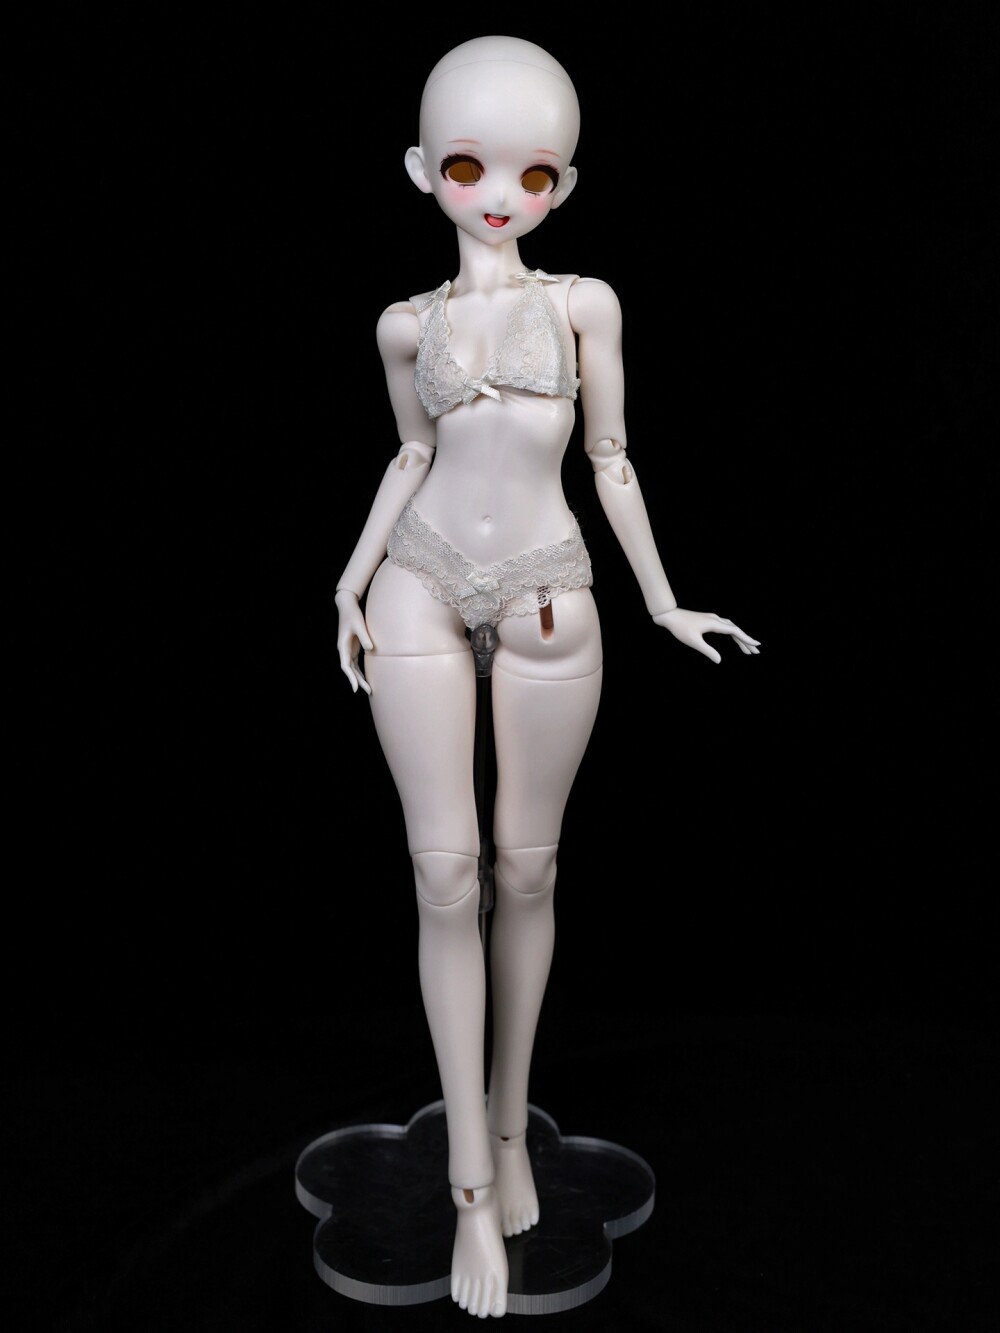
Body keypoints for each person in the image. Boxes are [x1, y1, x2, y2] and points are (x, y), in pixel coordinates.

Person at [334, 36, 760, 1319]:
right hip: (416, 582)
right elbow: (410, 457)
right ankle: (468, 1181)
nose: (499, 194)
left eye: (532, 173)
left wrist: (663, 599)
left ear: (562, 185)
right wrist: (347, 582)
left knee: (526, 872)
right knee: (443, 875)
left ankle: (513, 1129)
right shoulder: (404, 325)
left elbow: (612, 459)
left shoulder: (585, 305)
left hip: (549, 589)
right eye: (469, 166)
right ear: (423, 171)